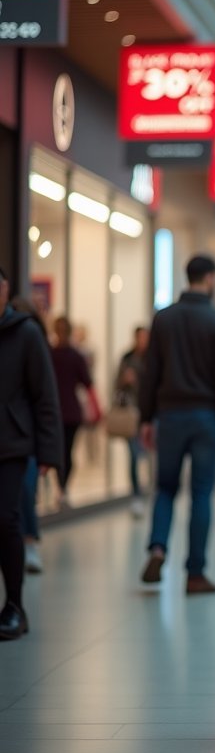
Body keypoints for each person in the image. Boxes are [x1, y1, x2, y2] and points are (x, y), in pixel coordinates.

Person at [138, 255, 215, 594]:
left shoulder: (163, 320)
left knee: (165, 488)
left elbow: (150, 372)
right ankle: (195, 573)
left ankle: (157, 547)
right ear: (210, 279)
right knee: (200, 494)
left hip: (168, 416)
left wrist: (145, 417)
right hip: (204, 417)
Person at [0, 266, 62, 641]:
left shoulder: (25, 334)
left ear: (5, 288)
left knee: (6, 521)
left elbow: (45, 396)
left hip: (11, 445)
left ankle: (14, 606)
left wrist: (49, 453)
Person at [10, 297, 47, 573]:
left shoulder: (36, 347)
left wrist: (49, 449)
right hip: (13, 435)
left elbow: (46, 402)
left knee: (25, 490)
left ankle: (30, 541)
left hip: (28, 437)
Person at [49, 315, 100, 507]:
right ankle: (62, 488)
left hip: (58, 412)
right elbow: (88, 383)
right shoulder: (74, 356)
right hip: (68, 411)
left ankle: (61, 487)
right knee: (66, 452)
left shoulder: (51, 354)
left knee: (61, 452)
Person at [114, 326, 150, 518]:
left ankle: (150, 492)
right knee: (134, 456)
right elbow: (116, 384)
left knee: (149, 456)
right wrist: (124, 380)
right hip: (130, 415)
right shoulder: (127, 358)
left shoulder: (153, 359)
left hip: (148, 415)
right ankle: (136, 495)